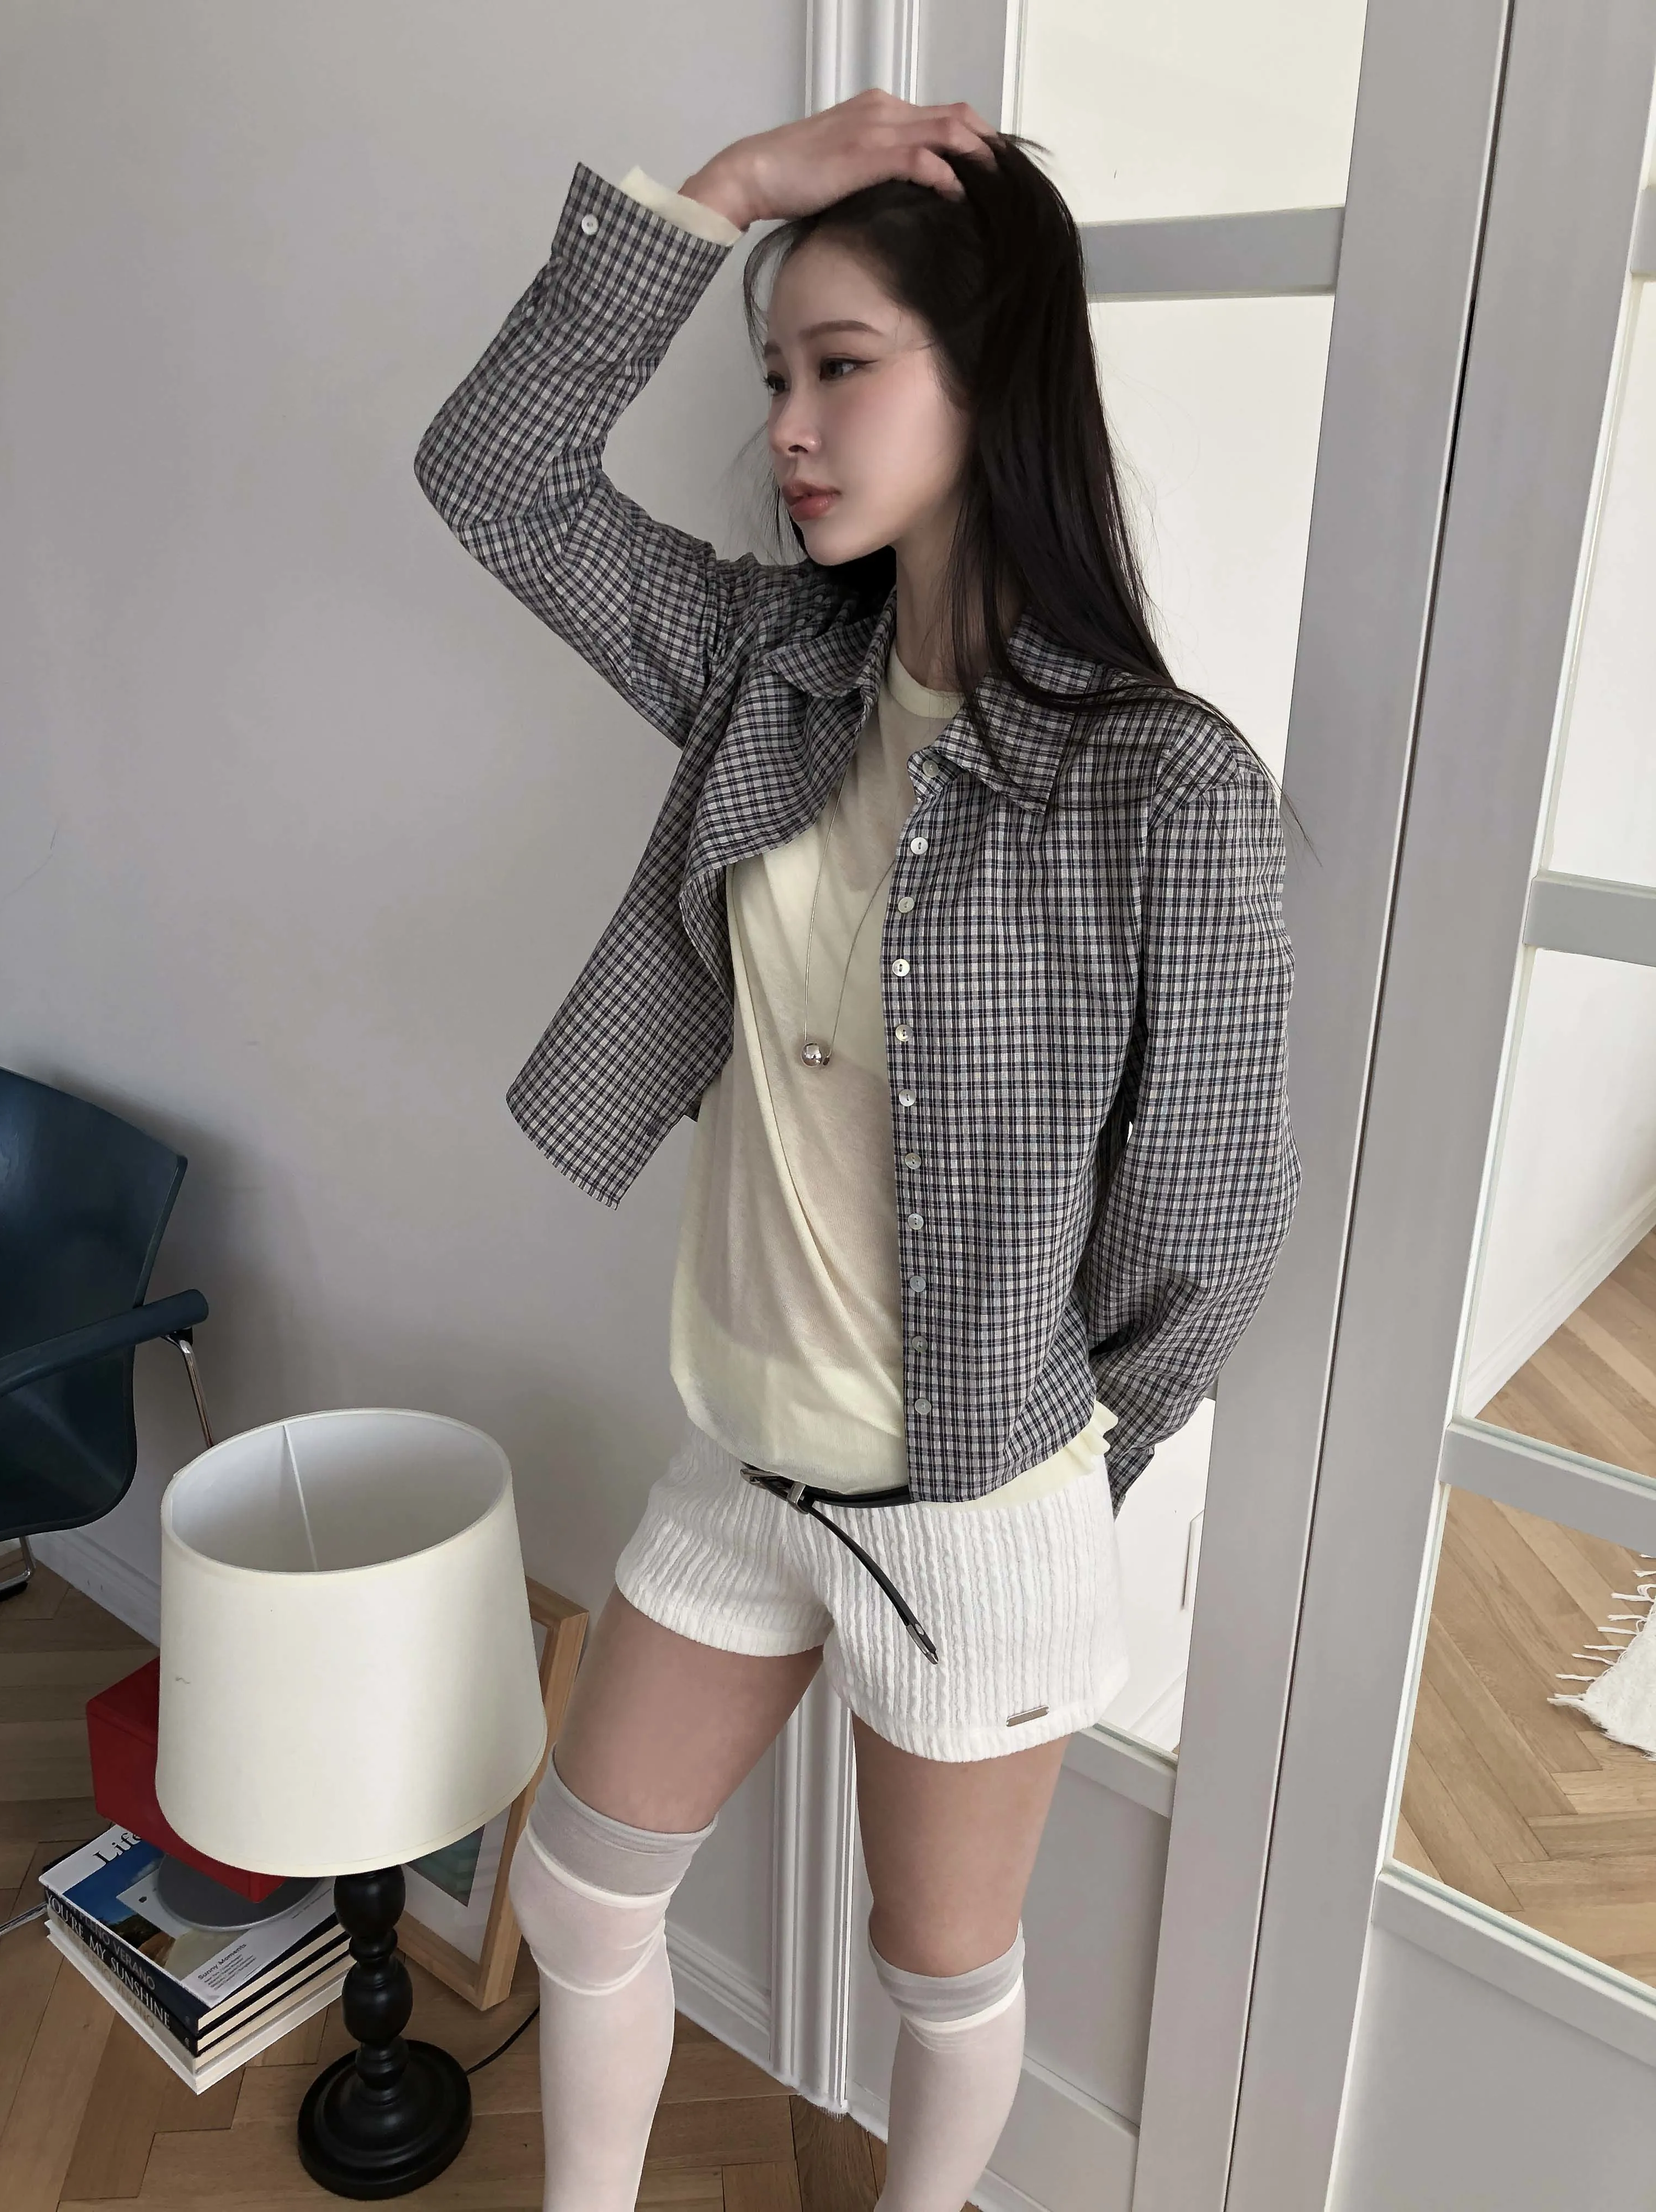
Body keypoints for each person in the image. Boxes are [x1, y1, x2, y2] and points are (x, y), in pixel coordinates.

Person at [414, 88, 1302, 2212]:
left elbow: (1206, 1221)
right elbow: (494, 476)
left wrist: (1045, 1456)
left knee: (938, 1967)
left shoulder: (1165, 789)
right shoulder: (769, 667)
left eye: (842, 368)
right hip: (742, 1456)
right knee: (581, 1895)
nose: (790, 431)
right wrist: (727, 196)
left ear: (990, 384)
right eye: (773, 378)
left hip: (975, 1506)